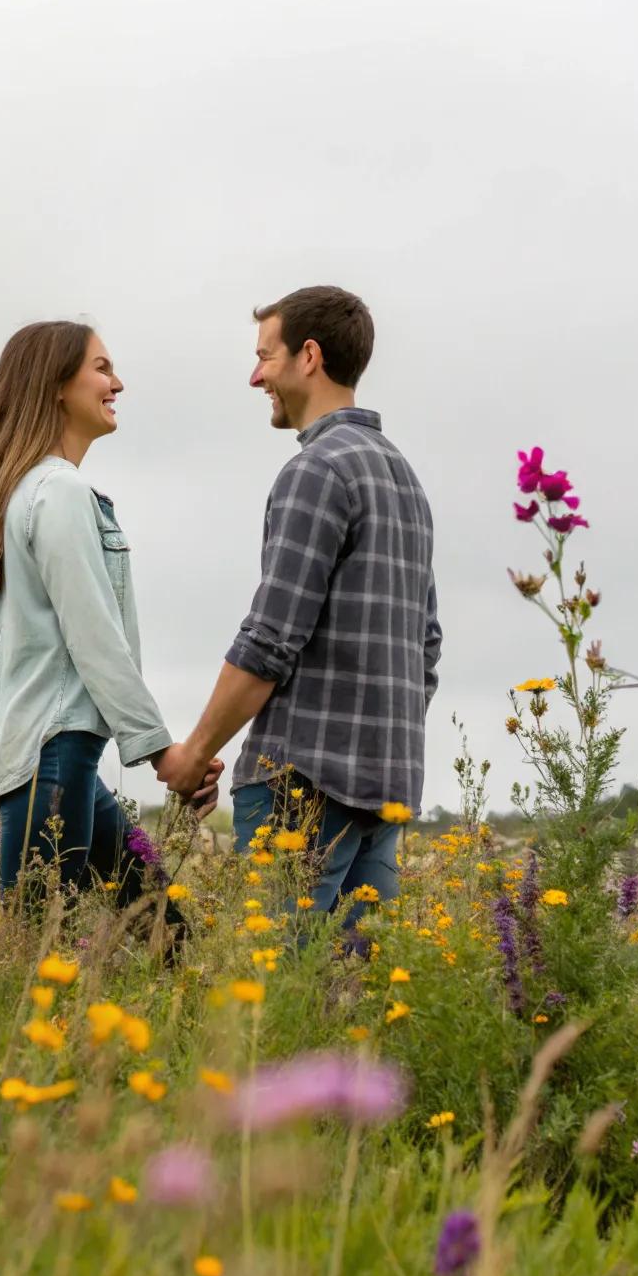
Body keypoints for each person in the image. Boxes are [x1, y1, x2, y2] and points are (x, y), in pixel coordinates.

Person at [156, 286, 441, 946]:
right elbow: (425, 649)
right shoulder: (405, 479)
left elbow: (270, 640)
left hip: (301, 786)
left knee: (276, 1005)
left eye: (266, 356)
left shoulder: (317, 470)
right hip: (385, 786)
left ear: (308, 356)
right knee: (354, 1008)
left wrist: (196, 752)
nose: (256, 376)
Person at [0, 319, 220, 911]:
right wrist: (163, 753)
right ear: (56, 385)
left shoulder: (32, 493)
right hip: (55, 759)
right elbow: (95, 638)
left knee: (165, 931)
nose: (117, 382)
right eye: (102, 368)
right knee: (34, 964)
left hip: (54, 760)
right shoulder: (59, 493)